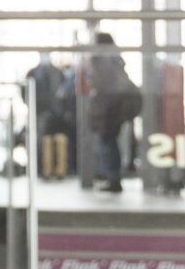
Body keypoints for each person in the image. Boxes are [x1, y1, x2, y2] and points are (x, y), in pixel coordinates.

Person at [81, 32, 137, 194]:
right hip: (113, 110)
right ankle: (112, 177)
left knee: (108, 145)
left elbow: (103, 86)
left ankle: (113, 179)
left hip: (108, 111)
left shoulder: (103, 61)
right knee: (109, 144)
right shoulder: (114, 59)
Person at [23, 54, 73, 178]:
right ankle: (45, 170)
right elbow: (26, 93)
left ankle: (60, 170)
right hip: (41, 113)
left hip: (57, 114)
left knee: (59, 140)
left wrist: (63, 110)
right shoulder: (33, 73)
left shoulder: (58, 73)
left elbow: (64, 93)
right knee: (43, 142)